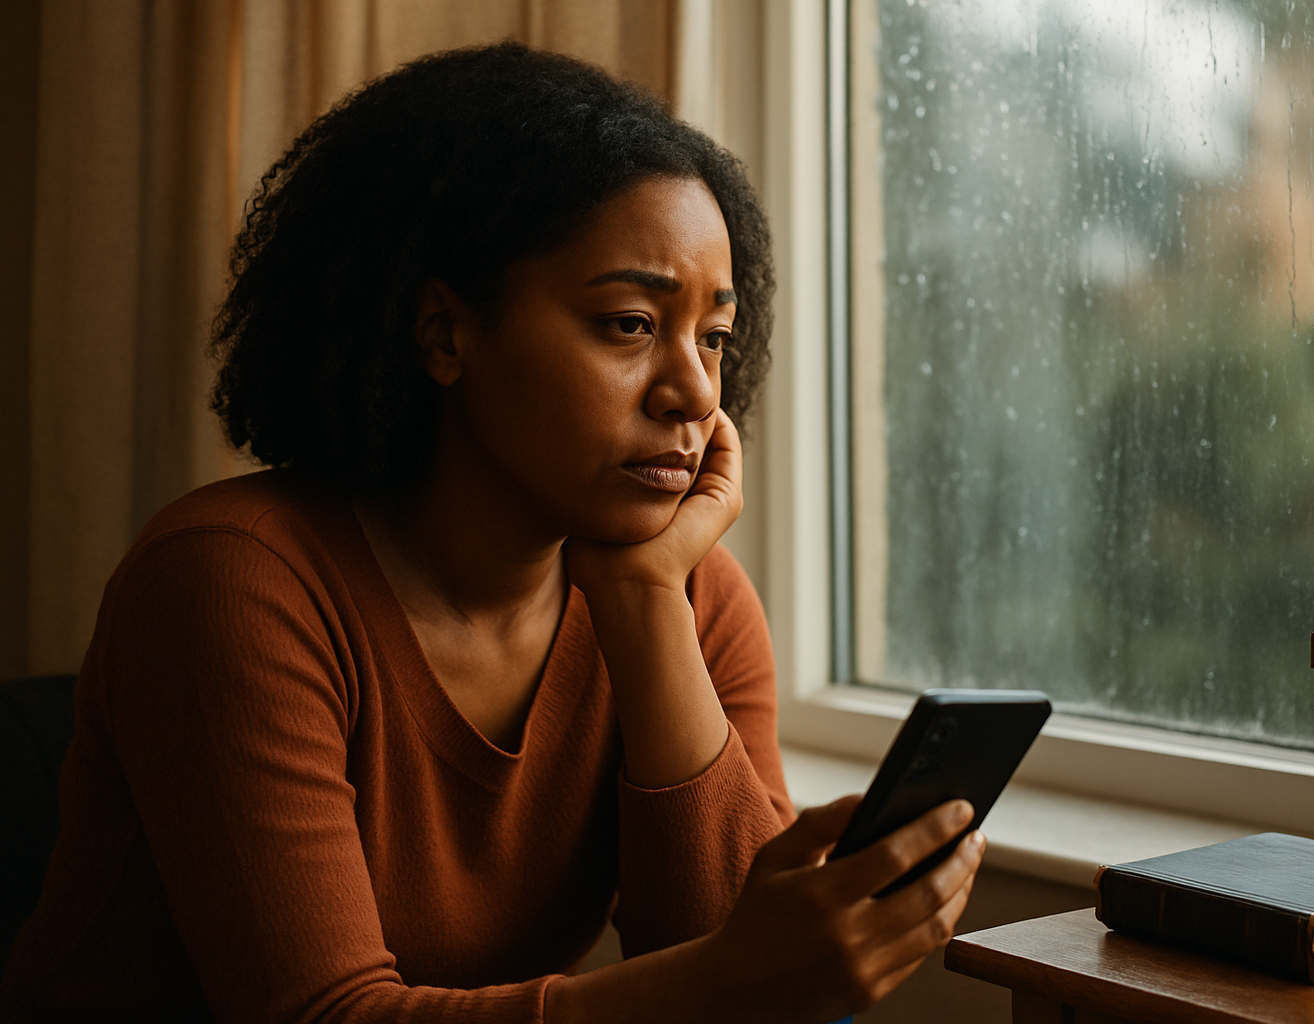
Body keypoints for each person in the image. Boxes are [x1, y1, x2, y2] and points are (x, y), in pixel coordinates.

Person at [0, 43, 984, 1024]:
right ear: (444, 335)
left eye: (713, 337)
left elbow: (747, 989)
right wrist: (736, 977)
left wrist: (646, 608)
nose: (691, 390)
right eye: (631, 324)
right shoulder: (233, 582)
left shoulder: (690, 599)